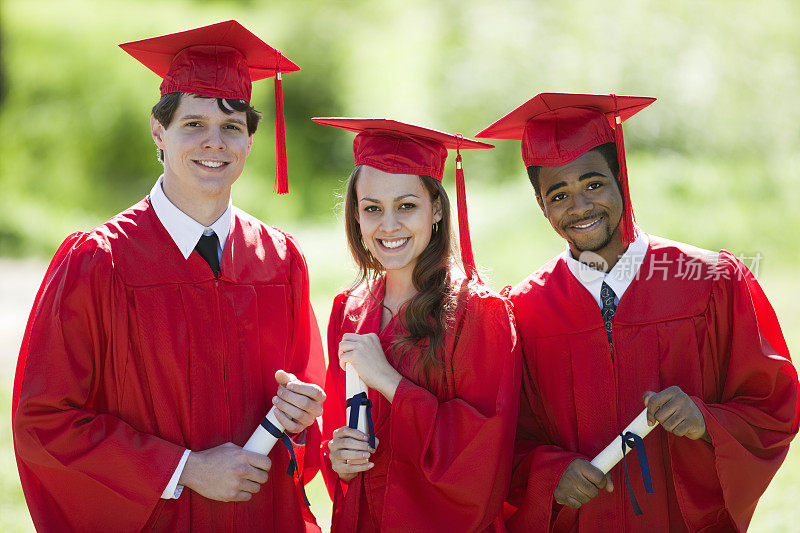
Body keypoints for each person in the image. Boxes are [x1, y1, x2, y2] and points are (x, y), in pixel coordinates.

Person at [12, 20, 326, 532]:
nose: (214, 143)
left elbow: (305, 403)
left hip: (259, 517)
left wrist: (304, 411)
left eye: (231, 127)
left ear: (250, 140)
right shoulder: (100, 261)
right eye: (194, 125)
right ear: (159, 131)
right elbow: (46, 421)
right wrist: (187, 469)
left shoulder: (278, 260)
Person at [475, 92, 799, 532]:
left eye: (594, 185)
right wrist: (549, 475)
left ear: (621, 178)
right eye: (559, 195)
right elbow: (499, 440)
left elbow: (774, 405)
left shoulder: (710, 281)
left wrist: (707, 422)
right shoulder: (524, 312)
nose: (580, 206)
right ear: (541, 205)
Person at [312, 117, 522, 532]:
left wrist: (390, 382)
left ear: (437, 208)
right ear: (356, 215)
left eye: (406, 205)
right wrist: (340, 458)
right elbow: (341, 437)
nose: (388, 225)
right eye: (372, 209)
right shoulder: (349, 309)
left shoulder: (478, 314)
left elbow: (482, 462)